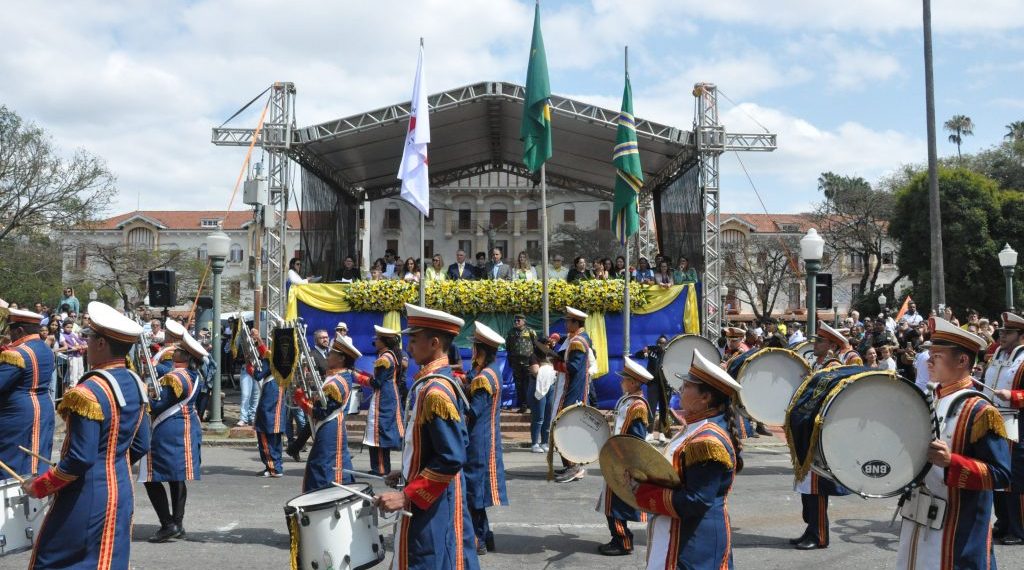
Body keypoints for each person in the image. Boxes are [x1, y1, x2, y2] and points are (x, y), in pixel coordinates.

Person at [23, 301, 151, 569]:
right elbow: (142, 443)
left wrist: (40, 485)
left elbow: (80, 458)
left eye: (90, 338)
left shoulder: (87, 392)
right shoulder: (136, 383)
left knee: (53, 560)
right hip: (120, 488)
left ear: (102, 344)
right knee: (107, 561)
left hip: (86, 493)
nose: (86, 345)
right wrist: (112, 460)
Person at [897, 317, 1011, 568]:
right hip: (920, 516)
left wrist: (952, 462)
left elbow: (1001, 474)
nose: (928, 360)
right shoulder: (930, 398)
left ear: (962, 361)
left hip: (957, 527)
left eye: (936, 355)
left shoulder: (980, 409)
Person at [374, 303, 479, 570]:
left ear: (434, 343)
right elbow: (431, 445)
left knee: (427, 558)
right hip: (428, 493)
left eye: (414, 339)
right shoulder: (429, 384)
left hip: (431, 502)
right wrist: (408, 469)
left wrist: (407, 495)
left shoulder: (435, 391)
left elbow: (452, 456)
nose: (409, 346)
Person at [634, 350, 743, 569]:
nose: (681, 389)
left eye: (687, 386)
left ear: (705, 397)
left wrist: (643, 493)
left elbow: (697, 501)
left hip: (694, 541)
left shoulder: (707, 440)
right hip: (682, 530)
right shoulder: (696, 426)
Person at [142, 320, 206, 543]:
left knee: (151, 477)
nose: (173, 352)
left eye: (178, 350)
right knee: (177, 478)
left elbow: (158, 406)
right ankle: (177, 523)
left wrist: (144, 397)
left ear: (185, 357)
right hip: (187, 427)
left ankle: (167, 524)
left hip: (168, 429)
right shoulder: (192, 375)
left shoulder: (175, 377)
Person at [790, 329, 849, 550]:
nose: (815, 344)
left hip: (819, 435)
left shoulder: (833, 368)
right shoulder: (818, 367)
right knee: (807, 487)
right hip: (809, 432)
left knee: (816, 487)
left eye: (820, 341)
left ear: (832, 346)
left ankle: (819, 535)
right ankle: (810, 529)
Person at [596, 357, 651, 556]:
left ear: (634, 383)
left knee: (616, 505)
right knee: (611, 503)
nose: (621, 382)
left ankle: (623, 541)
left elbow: (635, 439)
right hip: (616, 458)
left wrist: (626, 465)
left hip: (623, 462)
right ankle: (617, 538)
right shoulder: (629, 402)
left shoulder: (638, 406)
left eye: (624, 379)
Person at [464, 322, 509, 555]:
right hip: (485, 437)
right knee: (476, 492)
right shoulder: (489, 370)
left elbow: (473, 411)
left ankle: (478, 539)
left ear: (479, 350)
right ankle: (486, 535)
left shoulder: (484, 378)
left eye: (474, 347)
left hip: (479, 440)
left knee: (474, 493)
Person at [297, 333, 359, 492]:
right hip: (330, 426)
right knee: (326, 463)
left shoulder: (337, 381)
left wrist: (302, 402)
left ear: (341, 358)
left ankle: (328, 497)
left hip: (330, 427)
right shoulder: (337, 376)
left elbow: (322, 412)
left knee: (324, 465)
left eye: (331, 354)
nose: (328, 356)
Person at [0, 308, 55, 477]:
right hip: (43, 409)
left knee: (12, 463)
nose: (10, 334)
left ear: (20, 330)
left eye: (11, 330)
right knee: (36, 461)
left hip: (18, 415)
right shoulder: (46, 349)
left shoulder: (16, 354)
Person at [987, 312, 1024, 544]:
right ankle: (1002, 522)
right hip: (995, 421)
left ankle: (1019, 529)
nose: (1002, 336)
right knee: (997, 475)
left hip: (1019, 424)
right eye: (1001, 332)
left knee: (1017, 479)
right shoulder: (997, 354)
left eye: (1008, 332)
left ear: (1021, 335)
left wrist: (1011, 395)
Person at [553, 307, 593, 483]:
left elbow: (572, 367)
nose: (565, 323)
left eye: (568, 321)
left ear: (576, 323)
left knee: (565, 428)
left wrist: (555, 362)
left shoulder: (578, 341)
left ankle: (574, 467)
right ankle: (571, 465)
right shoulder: (579, 338)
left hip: (572, 391)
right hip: (573, 389)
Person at [362, 325, 406, 477]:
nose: (375, 341)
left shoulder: (385, 359)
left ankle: (380, 468)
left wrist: (359, 377)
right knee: (378, 432)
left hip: (384, 397)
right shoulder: (390, 356)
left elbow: (377, 383)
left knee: (378, 432)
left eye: (378, 339)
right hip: (387, 395)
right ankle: (379, 467)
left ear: (384, 341)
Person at [254, 344, 285, 478]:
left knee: (265, 436)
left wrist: (252, 367)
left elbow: (259, 375)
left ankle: (273, 468)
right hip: (277, 413)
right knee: (276, 439)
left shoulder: (271, 362)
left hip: (269, 415)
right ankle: (276, 466)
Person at [634, 335, 672, 442]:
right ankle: (649, 432)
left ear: (667, 344)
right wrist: (644, 351)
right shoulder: (652, 352)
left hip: (665, 386)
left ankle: (662, 433)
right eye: (659, 342)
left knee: (664, 409)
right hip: (653, 385)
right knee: (651, 408)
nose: (661, 345)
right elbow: (638, 355)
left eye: (663, 343)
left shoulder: (669, 354)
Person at [529, 334, 559, 453]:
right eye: (545, 344)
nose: (547, 346)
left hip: (551, 388)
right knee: (538, 417)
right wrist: (550, 370)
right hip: (538, 388)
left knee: (548, 416)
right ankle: (534, 443)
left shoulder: (552, 357)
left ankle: (545, 442)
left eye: (549, 344)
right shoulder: (533, 356)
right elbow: (536, 372)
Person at [505, 314, 536, 414]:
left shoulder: (530, 331)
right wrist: (511, 359)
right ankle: (523, 405)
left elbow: (536, 345)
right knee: (519, 385)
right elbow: (508, 347)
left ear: (524, 321)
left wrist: (534, 361)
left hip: (528, 362)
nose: (516, 322)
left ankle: (530, 405)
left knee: (529, 383)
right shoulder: (511, 332)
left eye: (518, 320)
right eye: (515, 321)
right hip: (516, 363)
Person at [236, 328, 266, 428]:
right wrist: (246, 357)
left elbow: (265, 354)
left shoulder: (261, 343)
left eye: (256, 334)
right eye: (252, 334)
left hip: (258, 371)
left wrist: (258, 340)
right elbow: (237, 357)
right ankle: (243, 418)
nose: (254, 336)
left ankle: (252, 417)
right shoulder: (244, 344)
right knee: (245, 395)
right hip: (246, 370)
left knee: (256, 396)